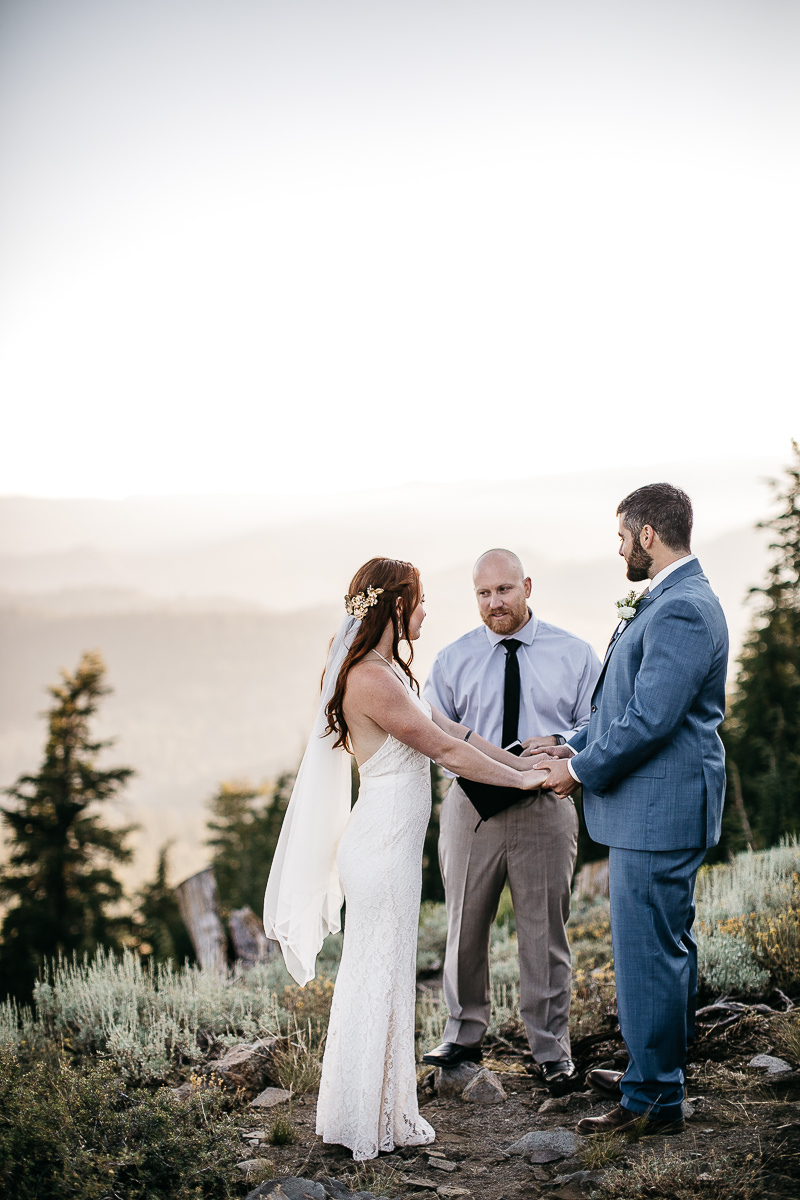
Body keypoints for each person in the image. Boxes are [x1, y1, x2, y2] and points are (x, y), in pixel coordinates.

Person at [263, 557, 546, 1161]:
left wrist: (525, 766)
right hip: (380, 851)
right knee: (376, 976)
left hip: (392, 851)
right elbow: (442, 747)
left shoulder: (390, 669)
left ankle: (379, 1108)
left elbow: (457, 732)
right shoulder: (367, 678)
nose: (424, 611)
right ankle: (361, 1116)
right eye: (417, 601)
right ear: (393, 606)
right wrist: (520, 786)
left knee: (386, 977)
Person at [534, 484, 728, 1136]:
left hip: (660, 810)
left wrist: (578, 771)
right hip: (657, 808)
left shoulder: (682, 610)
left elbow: (650, 720)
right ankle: (656, 1068)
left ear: (648, 535)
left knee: (649, 953)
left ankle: (654, 1099)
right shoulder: (671, 599)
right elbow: (622, 706)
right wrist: (574, 743)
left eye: (622, 538)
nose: (619, 550)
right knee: (662, 947)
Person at [421, 549, 602, 1095]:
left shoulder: (574, 654)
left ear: (526, 586)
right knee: (464, 922)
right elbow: (434, 734)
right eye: (483, 593)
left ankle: (551, 1049)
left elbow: (601, 724)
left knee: (545, 931)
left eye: (503, 590)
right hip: (470, 807)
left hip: (546, 804)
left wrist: (564, 744)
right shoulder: (451, 661)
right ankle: (463, 1032)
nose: (494, 602)